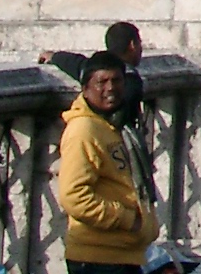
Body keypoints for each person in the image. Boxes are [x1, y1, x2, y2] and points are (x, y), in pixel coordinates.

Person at [57, 51, 156, 274]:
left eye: (117, 80)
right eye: (101, 82)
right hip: (98, 259)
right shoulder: (83, 130)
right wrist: (127, 219)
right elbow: (74, 197)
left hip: (123, 255)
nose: (110, 88)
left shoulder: (116, 125)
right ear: (85, 89)